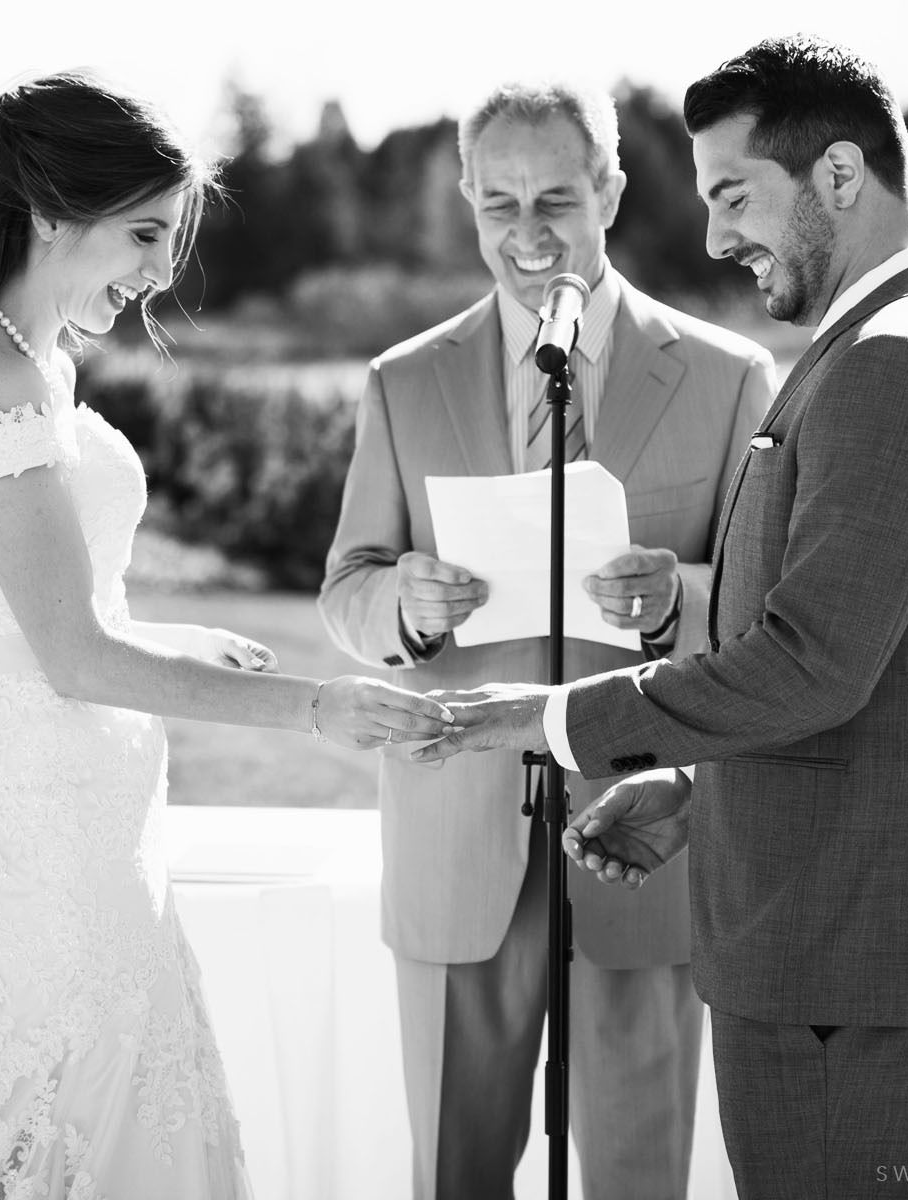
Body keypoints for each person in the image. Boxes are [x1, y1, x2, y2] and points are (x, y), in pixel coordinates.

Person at [0, 72, 456, 1200]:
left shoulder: (34, 360)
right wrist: (317, 706)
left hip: (88, 802)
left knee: (108, 1114)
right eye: (145, 234)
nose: (162, 275)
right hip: (40, 831)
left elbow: (19, 618)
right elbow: (69, 660)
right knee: (46, 1126)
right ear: (52, 214)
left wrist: (168, 632)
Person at [414, 36, 908, 1200]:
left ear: (840, 178)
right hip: (837, 945)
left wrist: (551, 719)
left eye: (734, 194)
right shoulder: (884, 345)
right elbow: (863, 664)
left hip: (848, 964)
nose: (713, 237)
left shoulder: (896, 363)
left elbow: (809, 665)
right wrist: (700, 789)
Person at [319, 81, 775, 1200]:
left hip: (644, 842)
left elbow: (774, 617)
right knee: (453, 1175)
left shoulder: (728, 381)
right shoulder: (402, 380)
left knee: (636, 1177)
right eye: (499, 205)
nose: (528, 236)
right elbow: (345, 589)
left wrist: (680, 596)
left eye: (557, 200)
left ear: (612, 192)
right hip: (452, 832)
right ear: (468, 201)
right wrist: (405, 608)